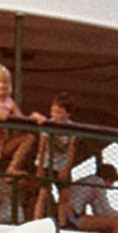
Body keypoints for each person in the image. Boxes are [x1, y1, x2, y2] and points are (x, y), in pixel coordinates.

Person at [0, 64, 43, 222]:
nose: (1, 85)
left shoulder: (9, 101)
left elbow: (20, 117)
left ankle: (12, 168)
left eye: (5, 82)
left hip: (2, 145)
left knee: (29, 137)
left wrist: (34, 117)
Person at [30, 93, 77, 222]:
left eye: (59, 113)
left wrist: (66, 169)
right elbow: (42, 147)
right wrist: (39, 168)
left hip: (61, 165)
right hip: (46, 164)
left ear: (68, 114)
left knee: (64, 196)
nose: (55, 116)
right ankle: (36, 221)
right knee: (43, 194)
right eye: (53, 112)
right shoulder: (48, 124)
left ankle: (62, 224)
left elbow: (71, 149)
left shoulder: (71, 127)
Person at [60, 162, 118, 233]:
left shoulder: (90, 182)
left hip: (70, 215)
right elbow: (105, 210)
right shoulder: (98, 182)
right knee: (116, 224)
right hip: (73, 217)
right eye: (111, 182)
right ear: (108, 178)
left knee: (108, 222)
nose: (110, 187)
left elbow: (99, 212)